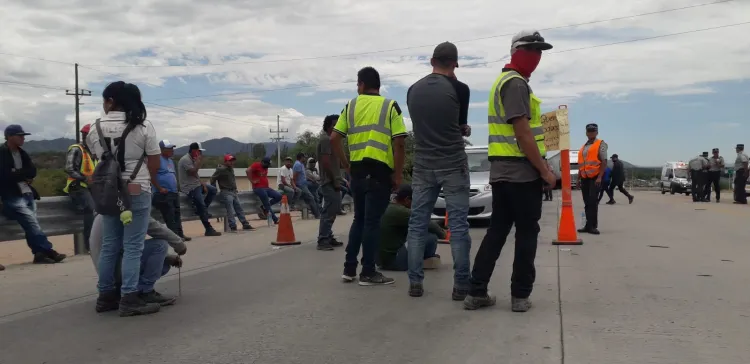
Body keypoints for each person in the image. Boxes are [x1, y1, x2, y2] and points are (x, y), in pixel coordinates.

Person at [464, 30, 556, 312]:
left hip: (502, 174)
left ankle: (477, 291)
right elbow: (523, 133)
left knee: (497, 232)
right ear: (516, 51)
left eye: (540, 51)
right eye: (531, 50)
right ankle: (519, 295)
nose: (536, 56)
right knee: (526, 234)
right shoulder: (515, 84)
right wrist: (545, 171)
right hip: (522, 174)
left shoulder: (505, 82)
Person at [85, 81, 163, 317]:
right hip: (136, 188)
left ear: (110, 101)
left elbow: (97, 158)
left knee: (110, 244)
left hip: (108, 192)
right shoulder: (143, 126)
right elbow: (154, 163)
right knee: (133, 246)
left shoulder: (94, 128)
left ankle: (105, 295)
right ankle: (129, 297)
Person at [404, 41, 472, 299]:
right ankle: (461, 285)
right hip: (453, 163)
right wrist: (463, 129)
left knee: (418, 224)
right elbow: (459, 125)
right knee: (458, 224)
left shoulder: (413, 90)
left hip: (423, 164)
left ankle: (415, 283)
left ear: (432, 61)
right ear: (454, 63)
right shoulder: (460, 89)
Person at [331, 66, 408, 286]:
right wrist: (398, 174)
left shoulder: (351, 106)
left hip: (357, 172)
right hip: (379, 173)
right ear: (378, 85)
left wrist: (346, 164)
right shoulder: (390, 106)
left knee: (360, 220)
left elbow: (335, 138)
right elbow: (400, 142)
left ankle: (349, 269)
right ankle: (368, 272)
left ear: (362, 84)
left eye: (357, 84)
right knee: (373, 222)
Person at [89, 213, 187, 311]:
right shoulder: (128, 210)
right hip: (118, 269)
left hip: (107, 276)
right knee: (160, 245)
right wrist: (179, 244)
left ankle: (112, 294)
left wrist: (166, 257)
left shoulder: (105, 214)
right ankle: (144, 291)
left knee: (163, 262)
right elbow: (155, 228)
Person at [0, 124, 67, 264]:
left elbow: (32, 171)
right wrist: (21, 175)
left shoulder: (22, 153)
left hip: (27, 193)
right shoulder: (2, 153)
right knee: (32, 223)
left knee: (32, 224)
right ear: (10, 137)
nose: (23, 138)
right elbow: (4, 176)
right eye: (20, 136)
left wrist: (16, 173)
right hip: (11, 196)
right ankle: (49, 250)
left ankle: (39, 254)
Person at [378, 184, 444, 272]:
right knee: (430, 237)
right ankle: (425, 259)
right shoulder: (400, 212)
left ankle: (419, 259)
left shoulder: (388, 207)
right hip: (395, 261)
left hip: (381, 260)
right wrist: (444, 234)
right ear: (407, 200)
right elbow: (427, 223)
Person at [64, 123, 97, 252]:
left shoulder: (94, 153)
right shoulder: (77, 149)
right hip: (77, 186)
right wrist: (84, 178)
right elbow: (69, 169)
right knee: (91, 209)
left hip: (91, 187)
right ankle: (89, 244)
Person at [178, 142, 221, 237]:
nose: (200, 154)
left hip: (196, 184)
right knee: (200, 203)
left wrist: (202, 183)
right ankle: (208, 228)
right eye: (199, 151)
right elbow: (192, 172)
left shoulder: (192, 159)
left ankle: (203, 211)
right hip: (189, 186)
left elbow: (196, 175)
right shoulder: (185, 159)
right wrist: (198, 162)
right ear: (194, 150)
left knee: (213, 190)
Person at [151, 140, 191, 241]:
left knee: (177, 214)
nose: (172, 150)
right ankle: (175, 237)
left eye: (172, 148)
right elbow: (151, 175)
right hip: (163, 193)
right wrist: (159, 188)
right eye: (169, 148)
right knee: (170, 216)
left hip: (173, 192)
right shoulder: (157, 160)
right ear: (161, 149)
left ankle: (180, 234)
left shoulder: (171, 161)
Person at [316, 115, 345, 250]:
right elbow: (326, 163)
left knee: (334, 209)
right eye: (335, 125)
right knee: (329, 211)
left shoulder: (333, 141)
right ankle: (323, 240)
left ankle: (328, 235)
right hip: (329, 181)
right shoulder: (326, 140)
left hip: (334, 180)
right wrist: (334, 180)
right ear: (328, 126)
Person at [576, 123, 607, 235]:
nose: (591, 133)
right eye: (589, 131)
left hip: (595, 178)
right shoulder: (584, 147)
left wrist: (599, 177)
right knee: (587, 203)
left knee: (593, 202)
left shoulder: (601, 144)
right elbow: (582, 164)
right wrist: (578, 179)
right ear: (586, 133)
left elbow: (604, 162)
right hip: (585, 178)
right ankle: (587, 225)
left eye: (593, 131)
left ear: (597, 132)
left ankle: (593, 226)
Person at [211, 154, 255, 232]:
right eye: (229, 161)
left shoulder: (231, 169)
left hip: (233, 191)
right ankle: (233, 226)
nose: (231, 162)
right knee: (230, 209)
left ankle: (245, 224)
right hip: (226, 191)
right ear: (225, 161)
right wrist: (214, 189)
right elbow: (213, 179)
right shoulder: (221, 169)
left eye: (232, 161)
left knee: (239, 208)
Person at [247, 157, 282, 224]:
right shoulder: (256, 165)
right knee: (266, 201)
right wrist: (252, 181)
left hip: (266, 187)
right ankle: (275, 219)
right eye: (267, 164)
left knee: (279, 196)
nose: (268, 166)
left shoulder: (266, 167)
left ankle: (264, 207)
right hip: (258, 188)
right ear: (263, 162)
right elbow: (248, 170)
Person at [292, 152, 321, 218]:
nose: (305, 158)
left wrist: (311, 180)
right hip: (301, 185)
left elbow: (303, 176)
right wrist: (295, 187)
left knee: (315, 189)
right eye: (304, 157)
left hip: (305, 184)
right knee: (311, 198)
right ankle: (317, 214)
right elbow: (294, 177)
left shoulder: (301, 164)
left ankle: (319, 211)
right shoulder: (297, 165)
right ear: (301, 157)